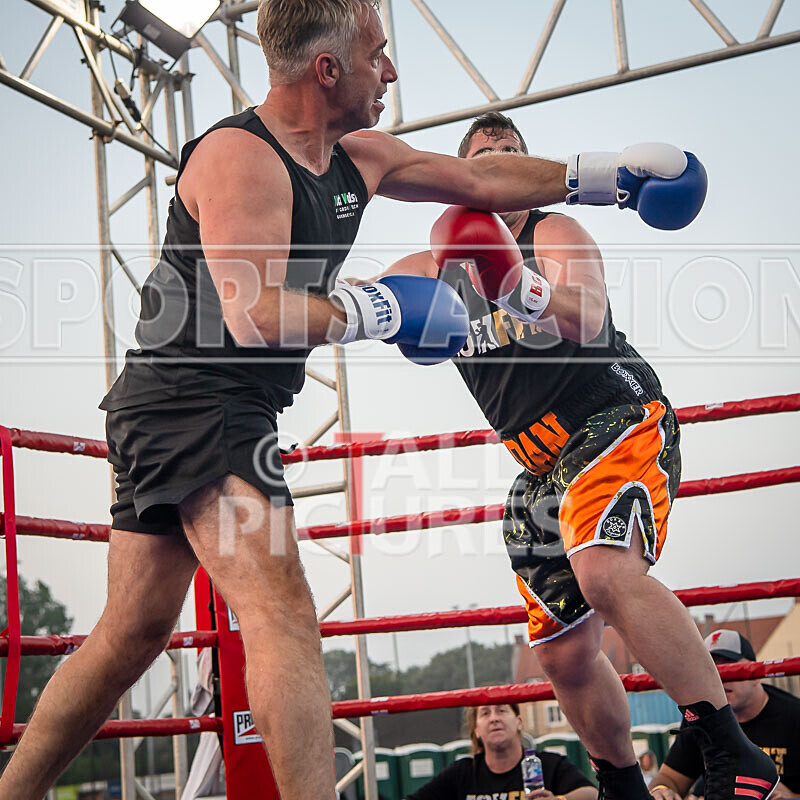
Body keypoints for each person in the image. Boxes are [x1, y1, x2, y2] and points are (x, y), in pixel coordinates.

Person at [0, 1, 709, 797]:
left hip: (197, 408)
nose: (393, 71)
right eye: (378, 54)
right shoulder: (241, 159)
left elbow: (476, 179)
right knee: (284, 616)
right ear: (328, 71)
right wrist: (384, 309)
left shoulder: (358, 155)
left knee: (128, 635)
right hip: (195, 400)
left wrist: (603, 177)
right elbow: (255, 311)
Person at [379, 112, 776, 800]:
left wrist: (518, 286)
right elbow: (380, 305)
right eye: (486, 158)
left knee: (602, 573)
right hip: (537, 467)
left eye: (512, 155)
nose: (501, 166)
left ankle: (733, 752)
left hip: (611, 417)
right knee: (561, 653)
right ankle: (622, 785)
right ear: (464, 178)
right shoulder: (434, 266)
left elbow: (588, 316)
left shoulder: (552, 232)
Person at [649, 630, 800, 800]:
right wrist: (662, 790)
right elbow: (670, 777)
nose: (720, 677)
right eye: (710, 669)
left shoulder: (794, 716)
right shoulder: (703, 718)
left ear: (755, 673)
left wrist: (792, 797)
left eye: (731, 667)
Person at [406, 703, 597, 800]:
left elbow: (591, 794)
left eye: (501, 711)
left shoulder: (548, 764)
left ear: (518, 722)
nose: (494, 718)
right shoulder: (462, 773)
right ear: (476, 730)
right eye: (485, 713)